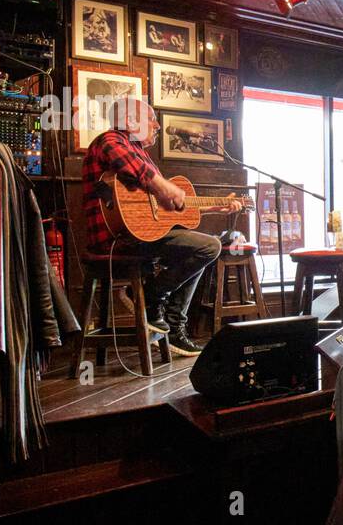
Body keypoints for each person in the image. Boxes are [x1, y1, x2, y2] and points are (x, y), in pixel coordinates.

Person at [82, 96, 242, 356]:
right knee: (207, 247)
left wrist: (216, 206)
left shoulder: (141, 153)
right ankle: (150, 299)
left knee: (204, 245)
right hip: (117, 241)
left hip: (140, 236)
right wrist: (164, 186)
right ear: (129, 120)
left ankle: (173, 325)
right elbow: (142, 176)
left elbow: (166, 207)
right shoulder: (110, 140)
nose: (156, 126)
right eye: (151, 119)